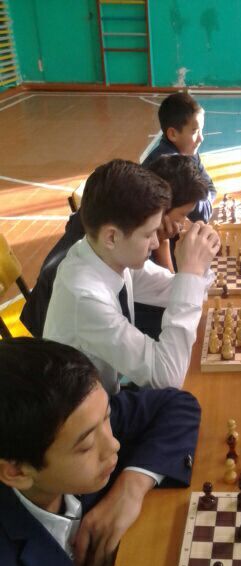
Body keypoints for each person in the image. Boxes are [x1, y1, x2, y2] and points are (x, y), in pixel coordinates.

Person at [0, 337, 201, 566]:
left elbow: (178, 405)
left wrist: (131, 487)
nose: (113, 445)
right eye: (86, 447)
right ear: (16, 471)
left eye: (107, 417)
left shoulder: (81, 416)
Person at [43, 159, 220, 395]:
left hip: (106, 392)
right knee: (188, 401)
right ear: (112, 237)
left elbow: (173, 290)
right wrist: (190, 274)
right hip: (87, 410)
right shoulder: (85, 297)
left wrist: (196, 268)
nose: (156, 242)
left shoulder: (106, 254)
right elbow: (167, 378)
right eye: (148, 234)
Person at [20, 155, 211, 339]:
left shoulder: (122, 227)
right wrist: (189, 269)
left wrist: (180, 258)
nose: (184, 224)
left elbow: (168, 289)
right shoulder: (113, 250)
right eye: (182, 216)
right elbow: (163, 355)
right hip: (47, 320)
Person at [142, 91, 216, 224]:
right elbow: (203, 213)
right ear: (173, 134)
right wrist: (206, 197)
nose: (201, 138)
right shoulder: (173, 171)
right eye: (195, 131)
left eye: (201, 130)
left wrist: (206, 196)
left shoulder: (189, 152)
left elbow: (210, 188)